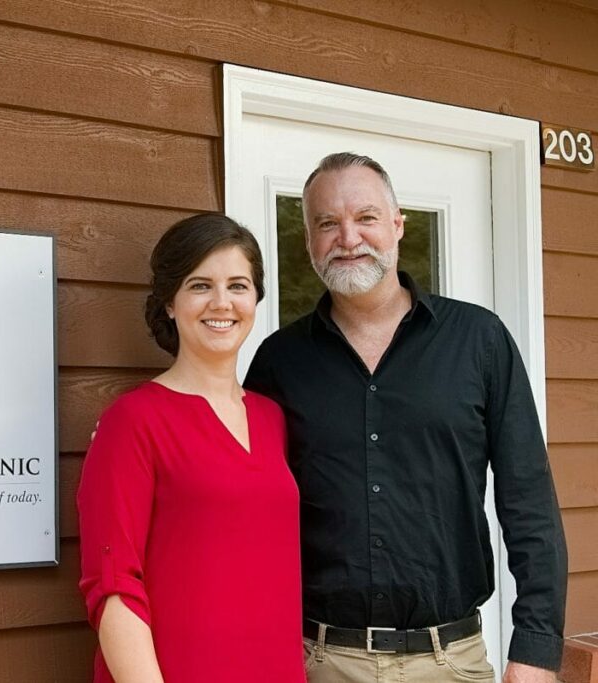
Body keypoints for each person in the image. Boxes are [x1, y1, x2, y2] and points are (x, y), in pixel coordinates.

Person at [245, 152, 567, 683]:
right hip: (319, 661)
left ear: (397, 225)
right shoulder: (280, 362)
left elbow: (528, 502)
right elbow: (243, 500)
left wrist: (535, 649)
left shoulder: (479, 342)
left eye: (366, 217)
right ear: (308, 242)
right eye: (327, 223)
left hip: (451, 661)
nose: (348, 237)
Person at [77, 213, 305, 682]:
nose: (222, 303)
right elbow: (114, 587)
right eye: (200, 285)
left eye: (238, 285)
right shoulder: (133, 421)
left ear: (256, 299)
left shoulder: (272, 418)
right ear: (169, 304)